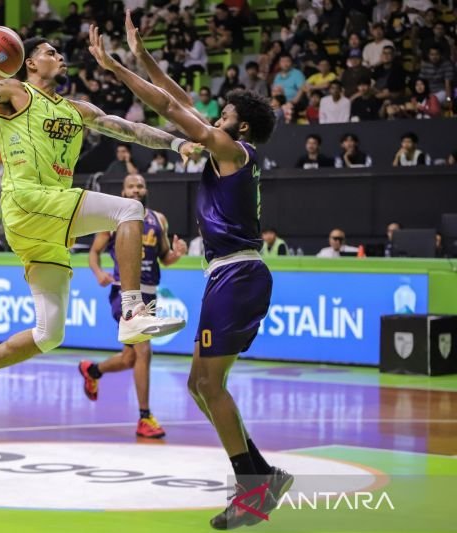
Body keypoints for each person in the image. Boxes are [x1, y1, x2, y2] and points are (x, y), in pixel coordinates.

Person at [87, 14, 292, 528]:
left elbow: (170, 108)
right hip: (226, 275)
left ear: (240, 126)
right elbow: (178, 96)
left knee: (209, 385)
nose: (215, 117)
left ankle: (254, 487)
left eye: (224, 114)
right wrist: (142, 56)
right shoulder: (228, 147)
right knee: (199, 384)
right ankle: (261, 474)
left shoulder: (232, 150)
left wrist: (115, 68)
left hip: (238, 273)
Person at [0, 31, 189, 433]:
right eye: (50, 52)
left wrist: (177, 144)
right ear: (29, 62)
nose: (60, 57)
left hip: (45, 224)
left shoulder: (76, 109)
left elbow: (129, 129)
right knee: (130, 209)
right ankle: (132, 310)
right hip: (28, 200)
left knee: (49, 333)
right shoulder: (15, 91)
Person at [81, 174, 188, 438]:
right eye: (131, 186)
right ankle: (144, 417)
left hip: (150, 294)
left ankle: (92, 370)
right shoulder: (113, 218)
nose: (136, 189)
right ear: (123, 192)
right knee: (144, 350)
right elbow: (93, 252)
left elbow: (165, 257)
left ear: (146, 190)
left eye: (140, 186)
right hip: (124, 292)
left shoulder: (158, 219)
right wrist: (99, 273)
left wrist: (177, 254)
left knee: (130, 358)